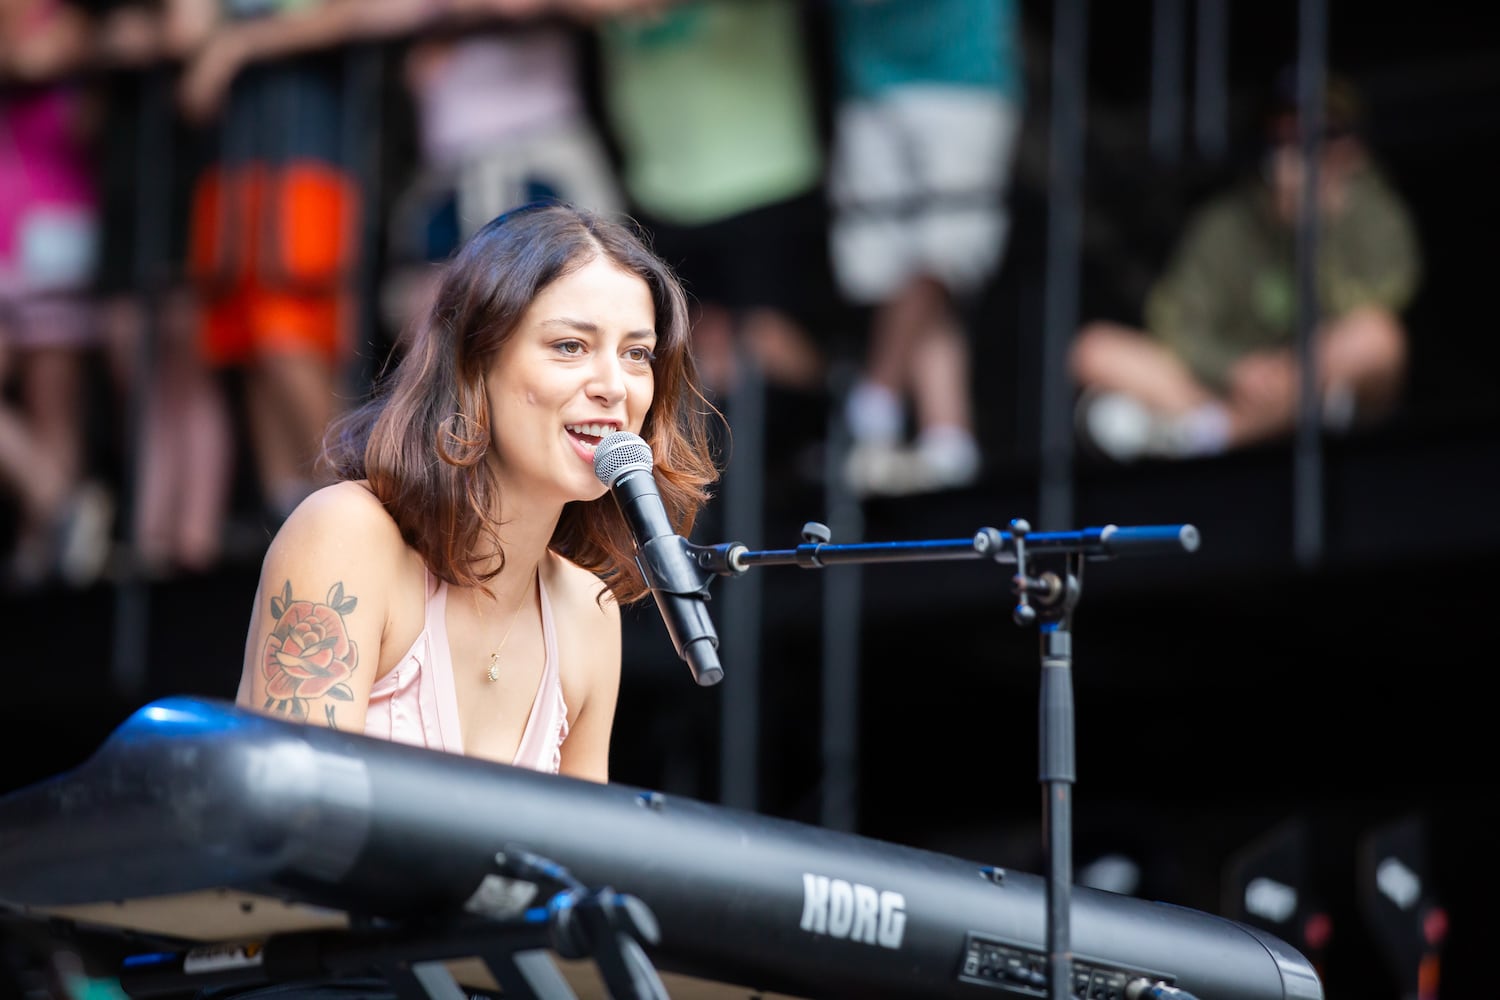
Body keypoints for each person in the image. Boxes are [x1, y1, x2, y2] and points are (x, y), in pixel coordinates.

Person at [235, 202, 719, 782]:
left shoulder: (588, 612)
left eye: (637, 354)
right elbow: (289, 822)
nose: (615, 387)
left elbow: (577, 863)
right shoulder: (346, 536)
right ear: (475, 361)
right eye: (570, 346)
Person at [1069, 73, 1421, 462]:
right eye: (1287, 136)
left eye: (1323, 134)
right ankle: (1222, 425)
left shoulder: (1375, 214)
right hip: (1229, 386)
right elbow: (1175, 320)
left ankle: (1221, 434)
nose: (1302, 150)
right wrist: (1237, 369)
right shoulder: (1227, 221)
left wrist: (1315, 234)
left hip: (1324, 382)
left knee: (1379, 337)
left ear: (1353, 148)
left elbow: (1382, 302)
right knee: (1093, 349)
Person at [830, 0, 1026, 498]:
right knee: (890, 270)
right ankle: (948, 436)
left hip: (963, 78)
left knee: (944, 256)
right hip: (868, 80)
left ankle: (875, 403)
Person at [0, 0, 114, 589]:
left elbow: (31, 59)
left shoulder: (67, 20)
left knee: (54, 400)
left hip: (54, 223)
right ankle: (57, 503)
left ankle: (49, 548)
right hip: (11, 228)